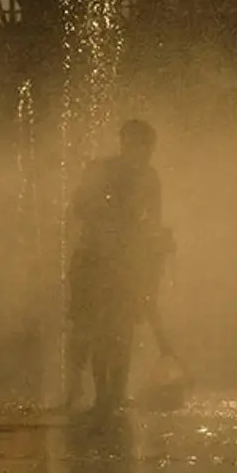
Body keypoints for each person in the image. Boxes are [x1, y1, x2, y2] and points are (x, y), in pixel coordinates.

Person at [70, 120, 163, 419]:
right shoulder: (101, 170)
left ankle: (117, 393)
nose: (147, 153)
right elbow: (78, 207)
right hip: (95, 259)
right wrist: (106, 213)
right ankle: (100, 394)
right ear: (126, 143)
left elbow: (154, 222)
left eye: (150, 147)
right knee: (99, 328)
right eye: (142, 145)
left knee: (122, 330)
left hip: (128, 261)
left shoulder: (149, 177)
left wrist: (153, 264)